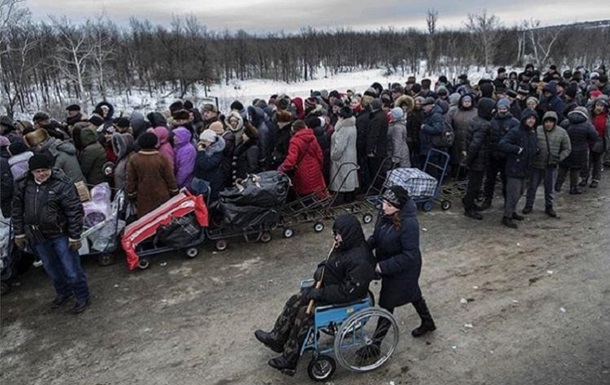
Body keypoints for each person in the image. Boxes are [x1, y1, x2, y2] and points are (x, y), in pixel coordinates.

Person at [254, 214, 375, 376]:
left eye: (339, 234)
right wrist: (321, 269)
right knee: (295, 300)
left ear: (349, 233)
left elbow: (349, 291)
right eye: (335, 233)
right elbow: (330, 262)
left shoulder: (361, 259)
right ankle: (277, 338)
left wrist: (321, 293)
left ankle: (290, 359)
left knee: (305, 314)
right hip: (328, 287)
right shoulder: (343, 245)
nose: (336, 237)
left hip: (345, 299)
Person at [11, 153, 90, 313]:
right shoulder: (23, 184)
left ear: (50, 169)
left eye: (45, 170)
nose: (42, 174)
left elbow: (74, 210)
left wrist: (74, 236)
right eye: (38, 171)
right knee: (51, 269)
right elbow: (17, 209)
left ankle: (82, 296)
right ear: (31, 172)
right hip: (37, 236)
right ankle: (64, 292)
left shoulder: (62, 183)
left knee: (71, 269)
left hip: (60, 234)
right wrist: (19, 233)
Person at [368, 185, 436, 338]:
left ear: (398, 207)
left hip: (405, 269)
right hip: (390, 262)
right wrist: (363, 248)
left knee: (387, 303)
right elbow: (376, 237)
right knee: (413, 293)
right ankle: (428, 322)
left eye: (389, 205)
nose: (383, 207)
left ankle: (375, 344)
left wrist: (382, 267)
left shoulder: (409, 224)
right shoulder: (385, 213)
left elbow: (409, 255)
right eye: (383, 202)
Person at [523, 112, 571, 217]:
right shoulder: (537, 130)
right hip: (536, 164)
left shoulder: (562, 132)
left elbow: (567, 148)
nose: (548, 124)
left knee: (550, 188)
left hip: (551, 165)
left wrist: (559, 158)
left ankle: (549, 206)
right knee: (532, 187)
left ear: (555, 123)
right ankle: (529, 205)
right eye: (546, 122)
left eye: (551, 122)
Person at [498, 109, 539, 229]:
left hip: (526, 167)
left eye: (533, 118)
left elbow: (532, 146)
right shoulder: (516, 132)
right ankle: (507, 216)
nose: (531, 121)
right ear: (524, 119)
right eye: (529, 118)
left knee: (520, 192)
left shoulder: (532, 132)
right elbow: (502, 144)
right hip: (515, 167)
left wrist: (536, 151)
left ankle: (512, 211)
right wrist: (516, 149)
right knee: (513, 193)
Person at [126, 133, 178, 218]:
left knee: (145, 221)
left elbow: (131, 179)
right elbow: (169, 177)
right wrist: (174, 191)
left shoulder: (134, 159)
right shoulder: (162, 158)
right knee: (162, 220)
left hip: (143, 195)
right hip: (162, 195)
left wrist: (131, 194)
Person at [462, 98, 495, 219]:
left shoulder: (475, 120)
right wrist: (469, 160)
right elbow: (475, 145)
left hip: (476, 159)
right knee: (475, 185)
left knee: (473, 184)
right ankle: (469, 208)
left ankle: (470, 203)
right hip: (478, 160)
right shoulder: (484, 125)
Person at [278, 120, 327, 199]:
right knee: (316, 193)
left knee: (305, 196)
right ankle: (317, 209)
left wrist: (281, 169)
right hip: (315, 168)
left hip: (302, 170)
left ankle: (308, 210)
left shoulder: (295, 141)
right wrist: (319, 166)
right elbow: (319, 154)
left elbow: (291, 160)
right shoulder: (312, 137)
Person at [329, 106, 359, 204]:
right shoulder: (352, 125)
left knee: (341, 179)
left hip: (342, 157)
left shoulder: (343, 129)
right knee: (349, 176)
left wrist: (333, 156)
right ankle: (350, 198)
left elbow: (340, 146)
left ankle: (341, 200)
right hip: (350, 155)